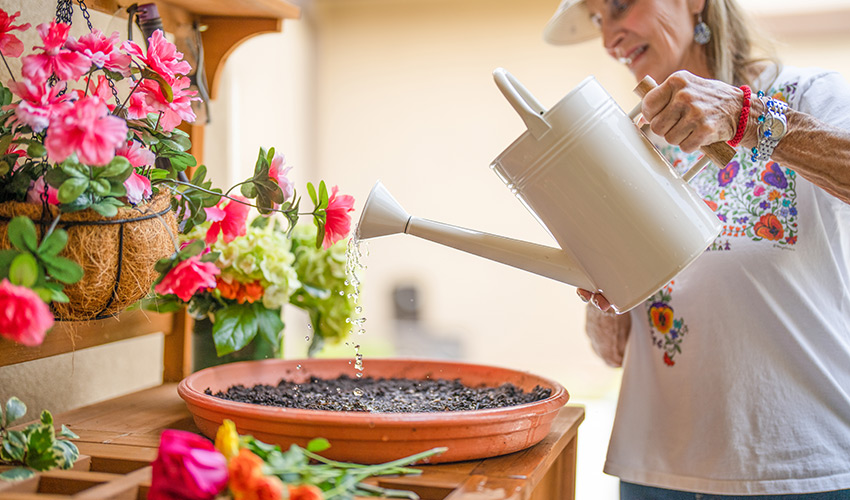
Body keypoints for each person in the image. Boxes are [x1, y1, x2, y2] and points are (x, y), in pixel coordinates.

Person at [543, 0, 850, 498]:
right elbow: (614, 349)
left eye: (620, 6)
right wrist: (599, 275)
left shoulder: (809, 94)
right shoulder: (625, 140)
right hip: (658, 473)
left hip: (805, 466)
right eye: (599, 19)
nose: (608, 37)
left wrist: (747, 118)